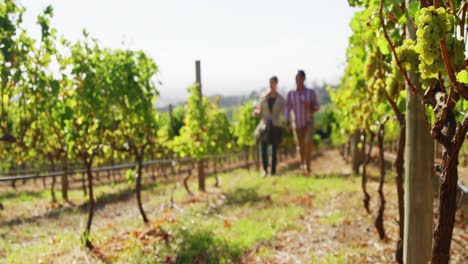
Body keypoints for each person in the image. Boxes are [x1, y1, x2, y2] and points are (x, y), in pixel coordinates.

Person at [285, 70, 320, 175]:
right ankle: (302, 164)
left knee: (308, 142)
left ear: (303, 79)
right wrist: (287, 122)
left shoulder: (310, 93)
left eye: (299, 78)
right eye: (296, 78)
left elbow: (317, 107)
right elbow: (287, 108)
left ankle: (308, 166)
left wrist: (309, 107)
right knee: (300, 146)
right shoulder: (291, 94)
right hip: (297, 124)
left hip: (308, 123)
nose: (297, 80)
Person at [254, 76, 285, 176]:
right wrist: (256, 112)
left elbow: (285, 112)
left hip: (275, 126)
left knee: (274, 150)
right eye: (270, 83)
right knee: (263, 149)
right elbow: (259, 110)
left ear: (276, 84)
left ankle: (273, 171)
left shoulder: (280, 99)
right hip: (264, 126)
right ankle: (264, 169)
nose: (271, 85)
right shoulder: (263, 97)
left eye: (273, 83)